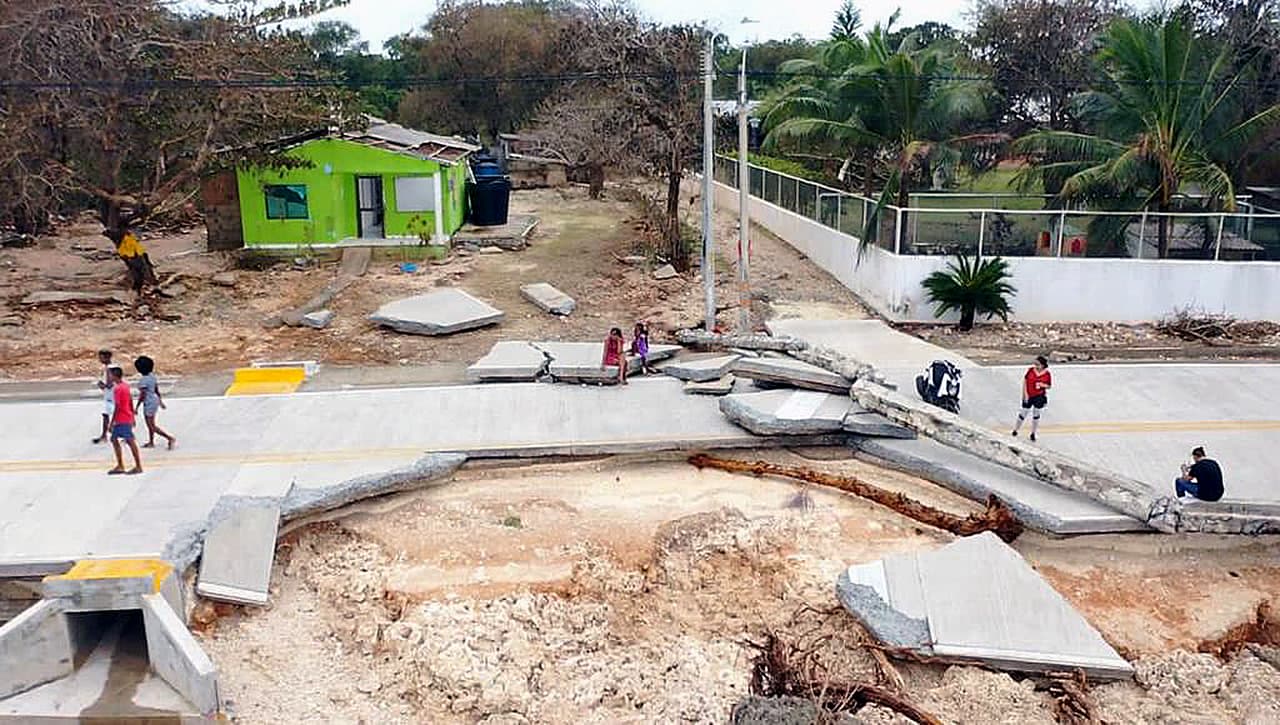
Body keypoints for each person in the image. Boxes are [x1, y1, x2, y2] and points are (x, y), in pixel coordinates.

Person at [106, 366, 142, 475]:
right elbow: (130, 401)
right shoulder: (125, 386)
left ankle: (137, 466)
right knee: (114, 439)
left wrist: (112, 422)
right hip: (127, 417)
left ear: (114, 376)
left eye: (110, 375)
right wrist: (132, 415)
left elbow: (117, 406)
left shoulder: (117, 389)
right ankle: (121, 464)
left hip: (122, 419)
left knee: (130, 441)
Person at [134, 355, 175, 450]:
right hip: (154, 400)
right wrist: (160, 401)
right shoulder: (152, 377)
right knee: (151, 423)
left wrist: (137, 407)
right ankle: (151, 441)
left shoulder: (143, 381)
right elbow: (156, 390)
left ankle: (169, 438)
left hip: (148, 403)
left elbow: (142, 395)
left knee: (151, 425)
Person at [1011, 355, 1052, 442]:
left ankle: (1033, 433)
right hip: (1029, 395)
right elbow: (1025, 381)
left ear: (1043, 365)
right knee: (1023, 413)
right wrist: (1025, 394)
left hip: (1039, 396)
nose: (1036, 366)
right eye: (1035, 364)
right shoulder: (1030, 370)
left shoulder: (1047, 374)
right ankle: (1016, 429)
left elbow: (1049, 385)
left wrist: (1042, 385)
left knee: (1036, 414)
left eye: (1038, 364)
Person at [111, 226, 156, 293]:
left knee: (139, 271)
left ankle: (142, 286)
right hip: (133, 255)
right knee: (139, 271)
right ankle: (142, 286)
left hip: (134, 254)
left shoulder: (126, 237)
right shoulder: (125, 237)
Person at [92, 349, 114, 444]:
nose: (99, 359)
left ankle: (104, 435)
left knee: (106, 415)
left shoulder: (109, 369)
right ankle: (106, 434)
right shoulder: (112, 367)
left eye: (101, 357)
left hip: (110, 396)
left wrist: (101, 385)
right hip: (111, 395)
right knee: (109, 415)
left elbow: (109, 384)